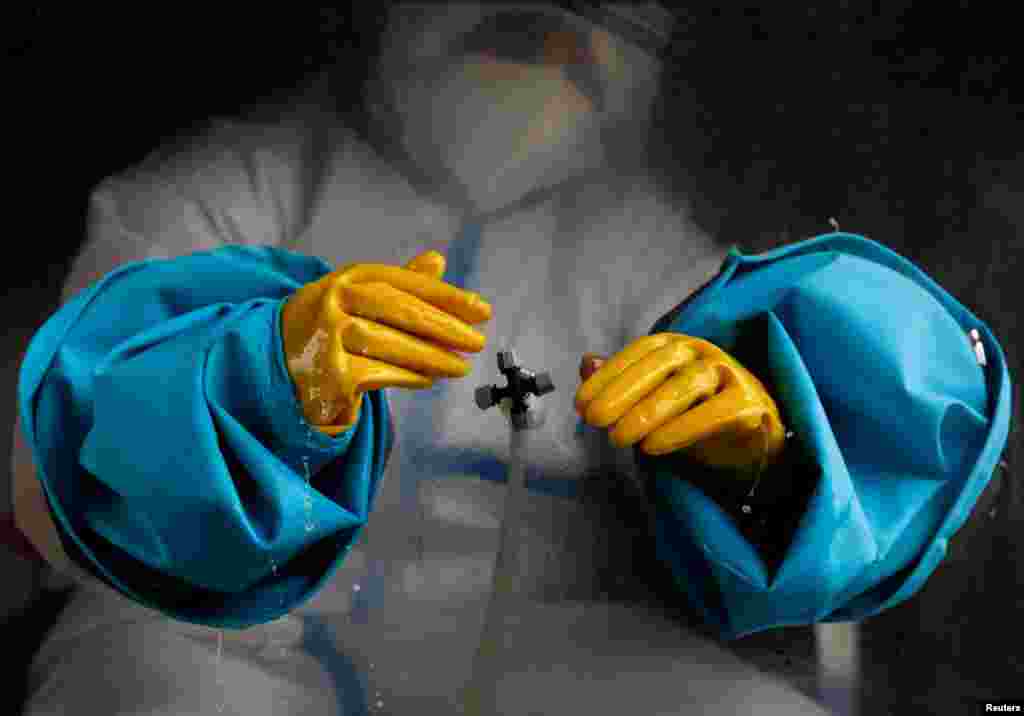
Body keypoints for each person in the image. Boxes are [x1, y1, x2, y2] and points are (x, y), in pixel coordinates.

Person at [11, 3, 833, 714]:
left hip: (549, 629)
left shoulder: (645, 243)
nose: (554, 30)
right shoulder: (234, 183)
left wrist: (750, 460)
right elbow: (74, 434)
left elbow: (779, 485)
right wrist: (256, 375)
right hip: (205, 617)